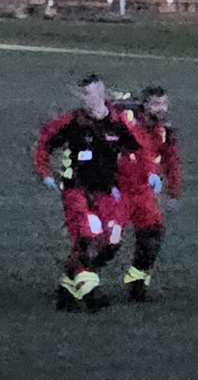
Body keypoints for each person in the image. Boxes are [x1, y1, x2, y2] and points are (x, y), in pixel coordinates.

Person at [33, 75, 142, 312]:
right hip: (77, 190)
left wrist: (145, 177)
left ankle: (68, 287)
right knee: (87, 236)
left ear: (102, 95)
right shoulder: (72, 122)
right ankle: (90, 291)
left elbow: (138, 149)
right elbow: (45, 143)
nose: (85, 100)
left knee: (111, 242)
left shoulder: (118, 123)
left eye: (89, 94)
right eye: (82, 95)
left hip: (107, 192)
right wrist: (45, 173)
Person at [112, 85, 183, 302]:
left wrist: (174, 191)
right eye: (155, 104)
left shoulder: (164, 131)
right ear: (144, 104)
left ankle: (137, 282)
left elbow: (172, 162)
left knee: (152, 236)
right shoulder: (126, 123)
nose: (161, 109)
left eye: (164, 103)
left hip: (143, 194)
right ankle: (76, 279)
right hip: (117, 192)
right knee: (107, 243)